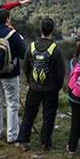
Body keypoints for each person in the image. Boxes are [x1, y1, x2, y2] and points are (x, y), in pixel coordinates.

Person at [16, 18, 65, 151]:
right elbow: (61, 72)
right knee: (48, 115)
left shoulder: (31, 47)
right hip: (51, 88)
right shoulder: (56, 49)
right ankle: (45, 143)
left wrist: (31, 81)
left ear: (40, 30)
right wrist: (57, 86)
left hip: (34, 87)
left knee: (29, 113)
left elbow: (25, 67)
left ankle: (23, 140)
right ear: (53, 31)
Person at [0, 8, 27, 143]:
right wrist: (21, 41)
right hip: (10, 74)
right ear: (7, 19)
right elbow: (23, 54)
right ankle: (12, 135)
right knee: (12, 103)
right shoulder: (13, 35)